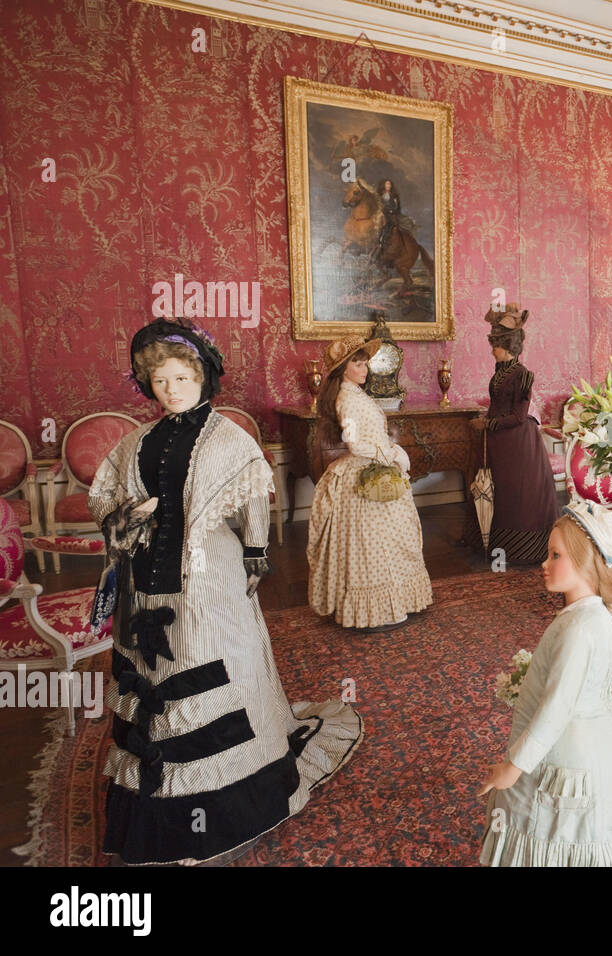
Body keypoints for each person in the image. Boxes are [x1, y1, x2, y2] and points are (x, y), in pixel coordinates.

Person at [87, 318, 362, 866]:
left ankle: (229, 792)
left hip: (209, 577)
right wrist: (124, 521)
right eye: (160, 381)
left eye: (181, 378)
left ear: (202, 377)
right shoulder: (136, 441)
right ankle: (154, 800)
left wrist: (255, 553)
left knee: (209, 658)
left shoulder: (229, 439)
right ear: (148, 385)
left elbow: (254, 507)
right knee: (152, 673)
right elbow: (108, 502)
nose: (171, 390)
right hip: (147, 585)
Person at [478, 500, 612, 866]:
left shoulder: (579, 628)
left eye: (555, 555)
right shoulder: (594, 616)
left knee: (561, 835)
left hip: (570, 757)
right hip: (599, 746)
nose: (544, 564)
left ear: (585, 563)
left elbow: (557, 709)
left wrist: (513, 768)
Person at [307, 334, 432, 630]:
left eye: (365, 363)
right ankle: (377, 610)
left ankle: (395, 602)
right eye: (357, 364)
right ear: (343, 370)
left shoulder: (356, 394)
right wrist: (390, 454)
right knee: (372, 542)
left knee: (391, 538)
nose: (364, 369)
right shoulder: (346, 399)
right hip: (364, 474)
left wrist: (389, 451)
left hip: (375, 467)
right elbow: (354, 444)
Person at [471, 304, 558, 564]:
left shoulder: (523, 376)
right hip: (500, 443)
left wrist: (488, 425)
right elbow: (499, 406)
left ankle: (524, 550)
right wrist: (485, 420)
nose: (491, 350)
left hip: (519, 443)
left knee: (518, 493)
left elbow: (519, 417)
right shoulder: (500, 372)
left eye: (494, 345)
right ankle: (495, 544)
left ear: (506, 346)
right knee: (500, 493)